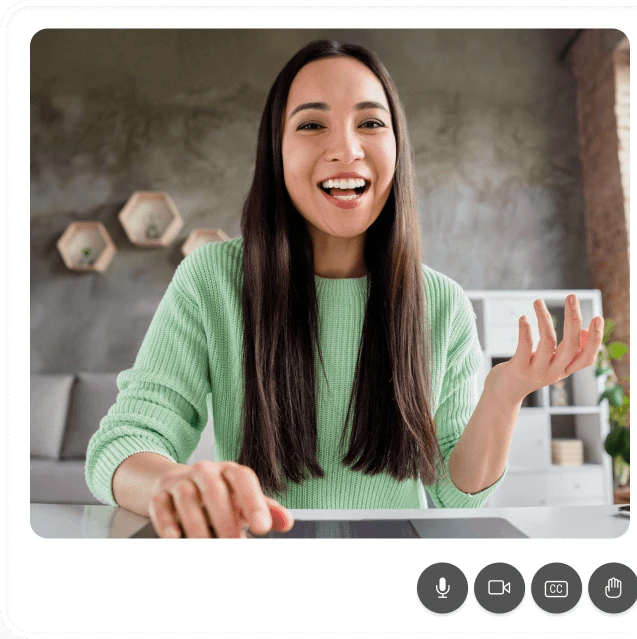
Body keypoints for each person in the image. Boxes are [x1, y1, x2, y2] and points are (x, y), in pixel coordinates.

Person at [84, 40, 603, 538]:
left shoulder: (442, 303)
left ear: (397, 147)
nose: (346, 150)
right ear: (276, 152)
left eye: (370, 123)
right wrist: (172, 483)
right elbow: (124, 442)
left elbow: (456, 496)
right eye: (312, 125)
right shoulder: (212, 280)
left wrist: (504, 393)